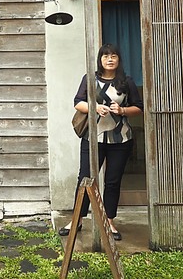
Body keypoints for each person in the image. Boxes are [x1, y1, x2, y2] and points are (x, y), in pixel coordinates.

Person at [58, 43, 143, 240]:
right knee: (85, 179)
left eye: (113, 55)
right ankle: (77, 219)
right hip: (93, 138)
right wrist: (95, 107)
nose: (110, 59)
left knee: (112, 181)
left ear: (119, 59)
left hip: (120, 139)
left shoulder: (126, 82)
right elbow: (77, 102)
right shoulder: (90, 78)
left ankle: (109, 220)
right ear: (100, 60)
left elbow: (139, 107)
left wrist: (122, 110)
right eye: (106, 56)